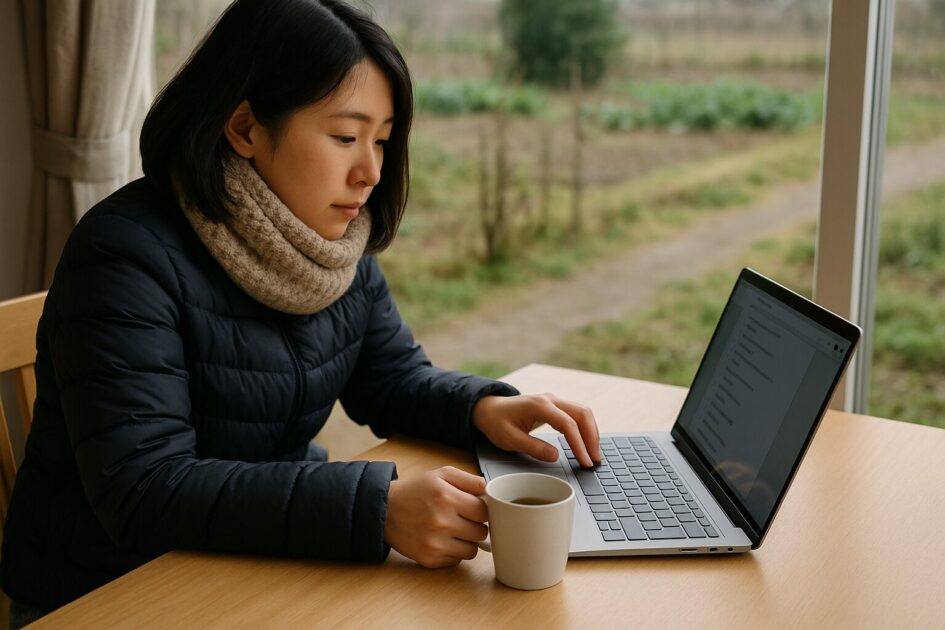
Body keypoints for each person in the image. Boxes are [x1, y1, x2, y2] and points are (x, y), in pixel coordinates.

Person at [0, 0, 601, 624]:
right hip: (112, 591)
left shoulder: (331, 245)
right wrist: (377, 509)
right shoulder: (125, 255)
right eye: (345, 137)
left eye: (383, 140)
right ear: (245, 128)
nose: (370, 171)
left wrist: (483, 408)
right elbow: (146, 489)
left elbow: (389, 378)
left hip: (262, 558)